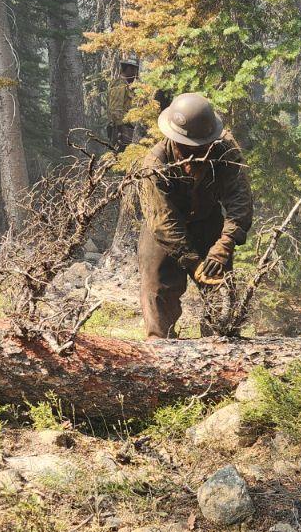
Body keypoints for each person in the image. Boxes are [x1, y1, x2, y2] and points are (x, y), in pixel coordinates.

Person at [136, 93, 254, 339]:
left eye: (202, 147)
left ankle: (219, 346)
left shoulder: (225, 150)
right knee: (158, 290)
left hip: (207, 221)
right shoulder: (155, 164)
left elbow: (239, 200)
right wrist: (192, 261)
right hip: (165, 231)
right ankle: (159, 348)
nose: (196, 154)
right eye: (188, 148)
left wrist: (224, 245)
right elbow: (163, 221)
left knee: (222, 293)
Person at [104, 59, 141, 150]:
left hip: (127, 128)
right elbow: (115, 110)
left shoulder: (127, 86)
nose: (135, 74)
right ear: (128, 69)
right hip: (121, 129)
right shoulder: (119, 85)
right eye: (134, 70)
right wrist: (121, 130)